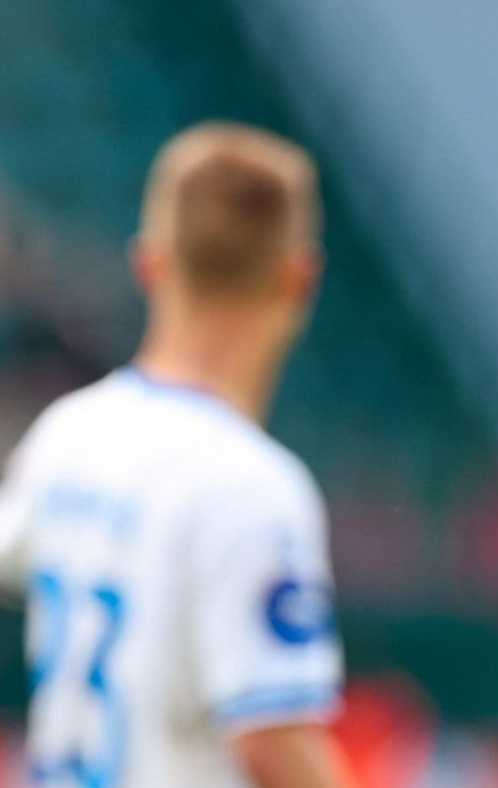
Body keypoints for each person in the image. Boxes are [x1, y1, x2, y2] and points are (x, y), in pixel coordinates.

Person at [0, 122, 352, 788]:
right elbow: (272, 743)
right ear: (299, 277)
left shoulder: (66, 435)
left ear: (149, 263)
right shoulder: (252, 488)